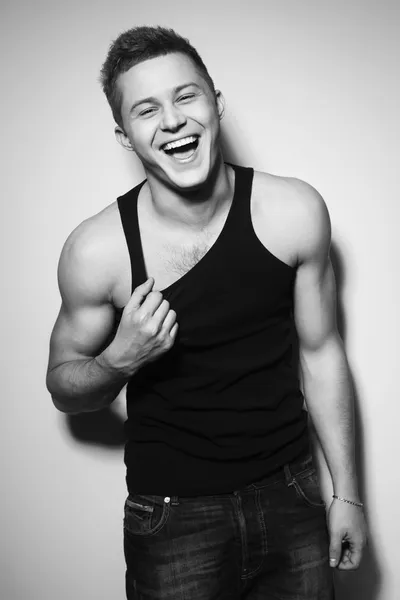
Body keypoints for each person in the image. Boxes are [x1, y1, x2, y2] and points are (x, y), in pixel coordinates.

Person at [46, 25, 367, 600]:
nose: (171, 120)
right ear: (125, 137)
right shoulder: (98, 252)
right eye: (146, 110)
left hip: (292, 495)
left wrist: (346, 494)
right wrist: (119, 360)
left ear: (216, 104)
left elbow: (322, 356)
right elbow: (64, 387)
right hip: (173, 518)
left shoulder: (292, 212)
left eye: (185, 96)